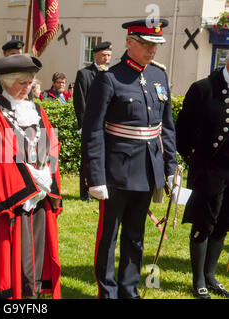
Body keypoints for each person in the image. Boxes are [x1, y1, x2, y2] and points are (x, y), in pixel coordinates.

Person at [82, 19, 177, 299]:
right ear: (130, 42)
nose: (152, 51)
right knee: (109, 237)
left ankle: (128, 290)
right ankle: (108, 292)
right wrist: (95, 176)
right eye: (146, 44)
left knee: (135, 236)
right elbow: (93, 130)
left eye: (156, 45)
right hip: (116, 172)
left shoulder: (159, 76)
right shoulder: (109, 77)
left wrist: (169, 168)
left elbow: (167, 127)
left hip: (148, 171)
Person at [0, 54, 62, 299]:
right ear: (7, 82)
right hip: (14, 197)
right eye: (23, 83)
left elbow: (51, 142)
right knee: (15, 259)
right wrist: (30, 179)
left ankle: (34, 295)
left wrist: (46, 173)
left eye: (31, 82)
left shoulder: (37, 109)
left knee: (38, 257)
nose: (28, 87)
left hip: (40, 193)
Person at [175, 54, 229, 299]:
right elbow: (182, 132)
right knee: (204, 224)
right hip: (209, 170)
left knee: (223, 225)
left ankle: (210, 276)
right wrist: (196, 161)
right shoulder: (203, 89)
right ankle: (198, 281)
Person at [73, 41, 112, 202]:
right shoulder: (85, 74)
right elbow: (80, 101)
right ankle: (85, 192)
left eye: (109, 55)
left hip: (107, 125)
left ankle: (102, 188)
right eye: (103, 55)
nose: (106, 58)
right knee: (87, 159)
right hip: (90, 124)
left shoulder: (112, 74)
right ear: (95, 55)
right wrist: (83, 125)